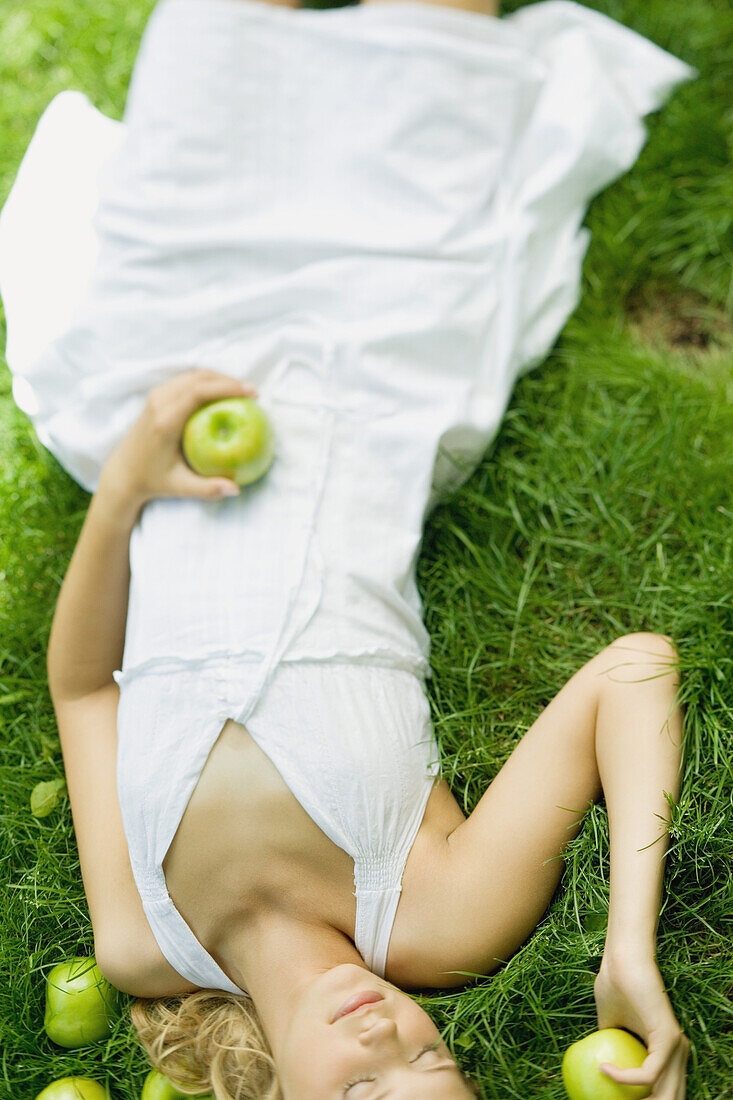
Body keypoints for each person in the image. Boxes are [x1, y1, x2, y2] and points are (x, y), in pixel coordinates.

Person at [0, 0, 696, 1097]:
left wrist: (131, 473)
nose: (389, 1037)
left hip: (170, 372)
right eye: (435, 1056)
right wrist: (627, 949)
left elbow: (85, 687)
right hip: (377, 361)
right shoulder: (441, 919)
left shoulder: (143, 940)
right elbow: (634, 671)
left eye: (361, 1091)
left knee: (213, 23)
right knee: (433, 34)